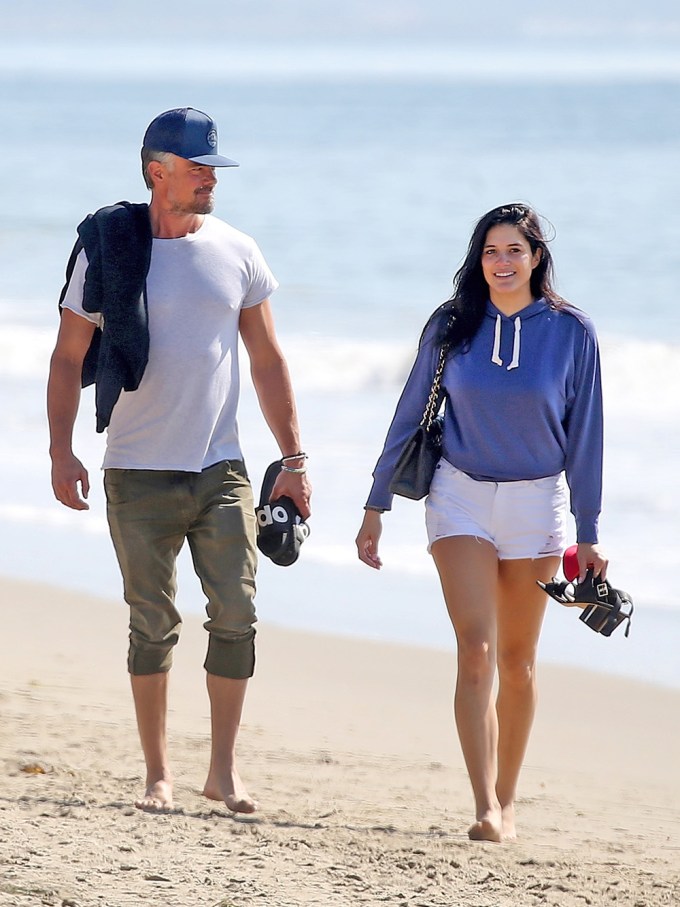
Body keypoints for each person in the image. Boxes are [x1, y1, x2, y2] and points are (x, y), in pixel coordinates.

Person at [47, 107, 311, 815]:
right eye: (196, 169)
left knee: (237, 611)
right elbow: (69, 357)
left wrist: (294, 458)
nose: (209, 181)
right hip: (134, 469)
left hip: (220, 467)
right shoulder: (107, 250)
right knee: (152, 621)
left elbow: (267, 360)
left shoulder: (238, 250)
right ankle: (157, 773)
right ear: (156, 171)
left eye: (213, 170)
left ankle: (222, 769)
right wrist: (60, 448)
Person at [356, 203, 607, 843]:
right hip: (459, 494)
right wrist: (376, 504)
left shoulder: (573, 331)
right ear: (479, 258)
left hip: (538, 505)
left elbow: (586, 437)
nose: (502, 263)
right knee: (476, 648)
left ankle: (509, 798)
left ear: (537, 257)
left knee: (519, 663)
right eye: (491, 251)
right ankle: (483, 808)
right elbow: (410, 410)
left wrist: (589, 530)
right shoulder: (452, 323)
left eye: (514, 251)